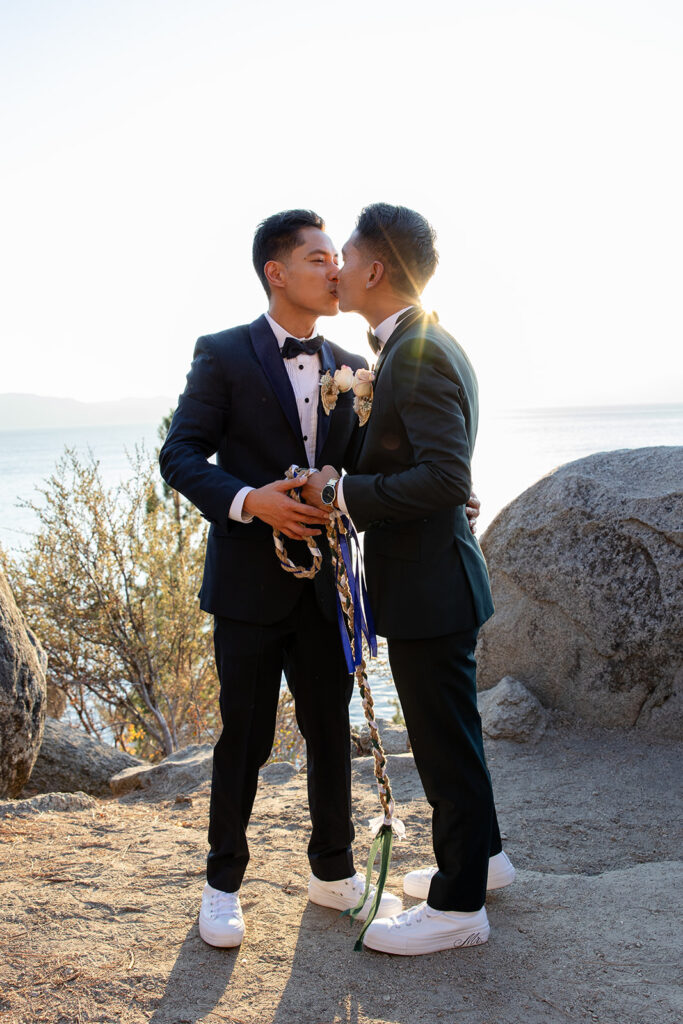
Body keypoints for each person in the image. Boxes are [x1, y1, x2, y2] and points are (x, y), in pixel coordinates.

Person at [159, 209, 404, 948]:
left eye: (337, 259)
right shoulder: (223, 353)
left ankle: (333, 872)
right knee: (245, 735)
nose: (336, 271)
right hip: (247, 584)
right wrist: (249, 501)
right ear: (277, 271)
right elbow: (181, 455)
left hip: (325, 581)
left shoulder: (350, 364)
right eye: (319, 258)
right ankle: (221, 884)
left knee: (330, 729)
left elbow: (366, 468)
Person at [303, 203, 514, 955]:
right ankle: (482, 863)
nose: (334, 269)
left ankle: (458, 909)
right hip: (436, 580)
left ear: (374, 268)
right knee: (454, 732)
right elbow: (435, 469)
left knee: (441, 742)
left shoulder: (417, 351)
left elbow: (444, 476)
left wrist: (342, 496)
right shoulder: (423, 342)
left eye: (343, 256)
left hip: (429, 587)